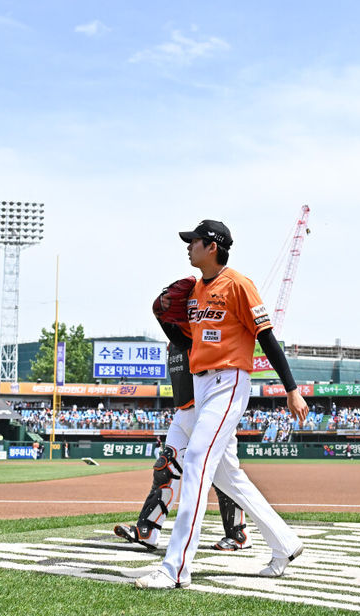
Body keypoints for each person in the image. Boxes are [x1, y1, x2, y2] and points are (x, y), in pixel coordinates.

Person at [135, 219, 308, 589]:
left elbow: (267, 338)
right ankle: (286, 543)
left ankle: (175, 568)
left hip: (229, 381)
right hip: (201, 385)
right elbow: (185, 341)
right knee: (230, 477)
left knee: (196, 461)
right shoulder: (195, 290)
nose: (188, 246)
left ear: (212, 246)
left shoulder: (239, 285)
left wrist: (291, 388)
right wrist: (163, 319)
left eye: (193, 241)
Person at [115, 339, 253, 553]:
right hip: (184, 411)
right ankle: (148, 530)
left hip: (211, 412)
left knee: (223, 474)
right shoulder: (174, 340)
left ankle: (238, 534)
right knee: (165, 467)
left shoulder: (202, 331)